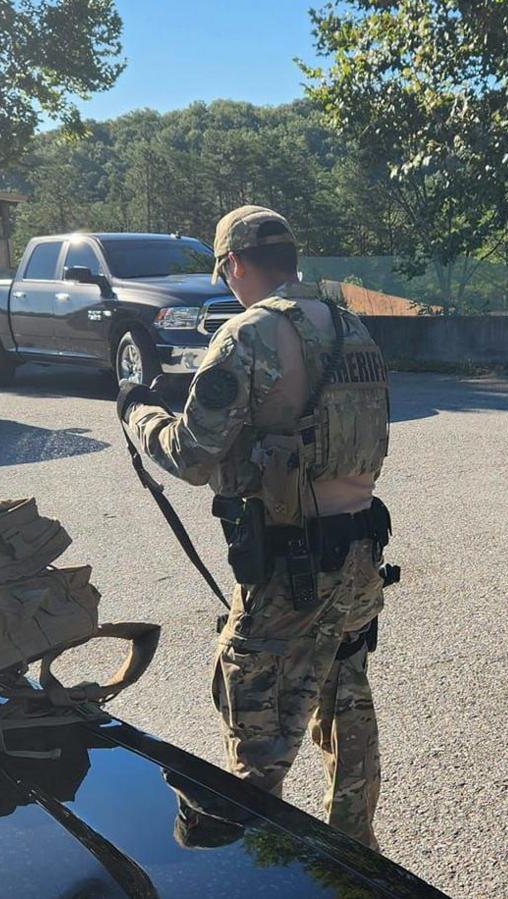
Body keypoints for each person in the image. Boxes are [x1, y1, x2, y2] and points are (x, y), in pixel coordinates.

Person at [117, 205, 392, 848]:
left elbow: (191, 454)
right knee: (344, 696)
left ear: (236, 261)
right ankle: (356, 853)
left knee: (257, 720)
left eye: (223, 269)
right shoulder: (352, 328)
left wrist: (138, 413)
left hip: (290, 566)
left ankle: (238, 863)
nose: (226, 281)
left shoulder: (248, 335)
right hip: (360, 553)